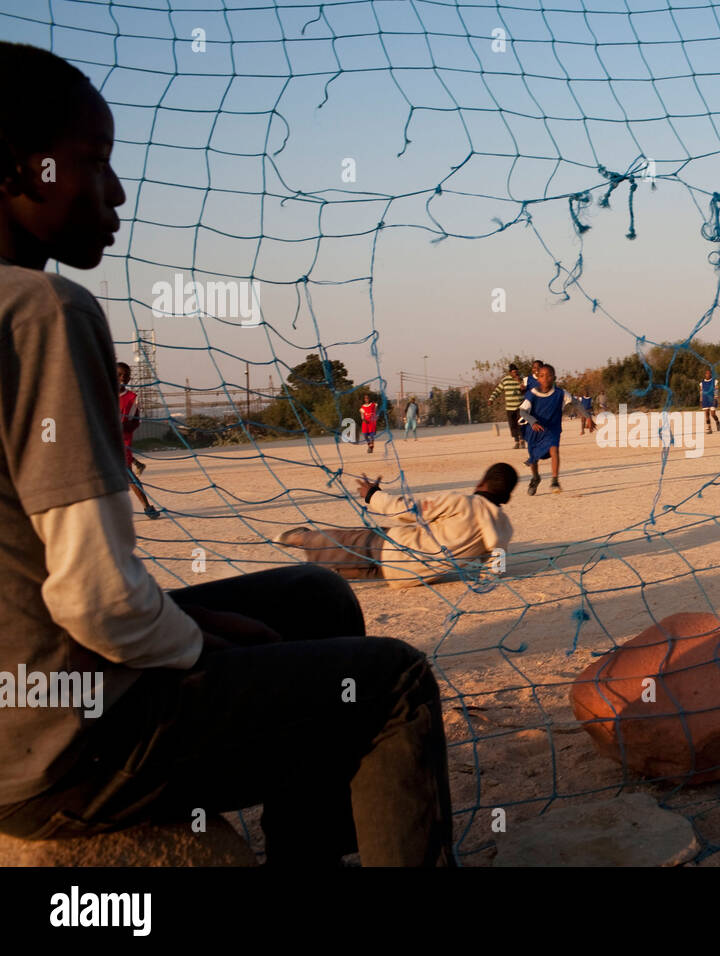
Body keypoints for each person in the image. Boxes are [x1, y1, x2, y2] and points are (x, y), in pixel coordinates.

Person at [0, 42, 454, 866]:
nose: (117, 192)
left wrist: (194, 619)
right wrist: (195, 643)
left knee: (316, 600)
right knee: (394, 683)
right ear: (15, 170)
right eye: (93, 163)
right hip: (63, 749)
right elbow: (96, 601)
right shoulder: (43, 312)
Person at [276, 464, 517, 587]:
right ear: (506, 497)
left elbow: (410, 510)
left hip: (391, 547)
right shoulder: (504, 526)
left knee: (342, 541)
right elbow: (497, 560)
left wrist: (373, 495)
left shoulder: (464, 502)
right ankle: (312, 574)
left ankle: (299, 538)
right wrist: (487, 577)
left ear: (481, 482)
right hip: (407, 576)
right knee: (343, 572)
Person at [519, 363, 597, 495]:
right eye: (542, 376)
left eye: (549, 375)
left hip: (552, 429)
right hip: (535, 430)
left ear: (554, 378)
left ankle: (554, 481)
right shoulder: (532, 394)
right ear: (538, 378)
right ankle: (536, 478)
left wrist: (587, 416)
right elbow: (522, 412)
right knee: (534, 458)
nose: (545, 378)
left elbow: (576, 403)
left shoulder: (561, 393)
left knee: (554, 450)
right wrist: (532, 422)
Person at [118, 362, 159, 518]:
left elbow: (135, 421)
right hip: (102, 441)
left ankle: (147, 507)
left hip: (123, 441)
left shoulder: (132, 398)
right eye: (120, 374)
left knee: (129, 476)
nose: (123, 378)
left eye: (126, 375)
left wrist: (125, 426)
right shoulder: (101, 393)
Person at [489, 364, 525, 448]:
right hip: (509, 407)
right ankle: (516, 441)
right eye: (513, 372)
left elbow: (525, 390)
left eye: (516, 372)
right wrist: (491, 399)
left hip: (520, 406)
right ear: (509, 373)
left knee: (521, 423)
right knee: (512, 425)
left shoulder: (522, 379)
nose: (515, 374)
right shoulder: (505, 380)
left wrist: (519, 382)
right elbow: (497, 390)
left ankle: (522, 440)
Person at [699, 368, 720, 434]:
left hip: (712, 399)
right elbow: (701, 392)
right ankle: (709, 428)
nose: (708, 374)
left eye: (709, 373)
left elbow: (716, 390)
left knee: (713, 414)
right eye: (707, 373)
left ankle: (717, 421)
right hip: (705, 400)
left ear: (711, 374)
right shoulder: (702, 383)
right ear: (705, 374)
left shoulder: (714, 381)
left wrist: (715, 398)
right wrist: (701, 400)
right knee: (706, 414)